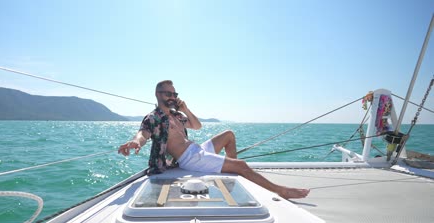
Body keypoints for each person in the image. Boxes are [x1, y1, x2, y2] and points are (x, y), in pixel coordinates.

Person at [118, 80, 309, 199]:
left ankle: (233, 172)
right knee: (241, 164)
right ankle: (279, 190)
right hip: (190, 158)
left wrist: (185, 109)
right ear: (158, 95)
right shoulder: (154, 118)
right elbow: (143, 133)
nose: (172, 97)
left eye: (174, 94)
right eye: (168, 93)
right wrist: (136, 142)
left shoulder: (177, 116)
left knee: (228, 135)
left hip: (197, 150)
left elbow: (197, 125)